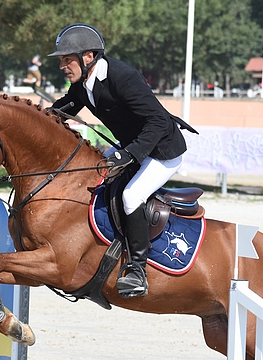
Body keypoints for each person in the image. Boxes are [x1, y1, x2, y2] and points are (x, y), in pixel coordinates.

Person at [49, 23, 193, 298]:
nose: (62, 66)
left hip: (162, 150)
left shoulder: (122, 77)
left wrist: (129, 154)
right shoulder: (82, 84)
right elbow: (66, 106)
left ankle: (138, 270)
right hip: (133, 148)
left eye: (67, 60)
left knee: (131, 196)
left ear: (88, 57)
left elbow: (159, 121)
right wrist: (37, 116)